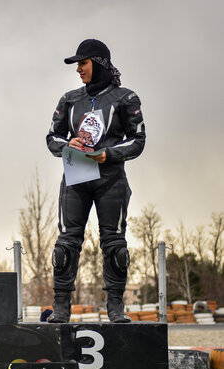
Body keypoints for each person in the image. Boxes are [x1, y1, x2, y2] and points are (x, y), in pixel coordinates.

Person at [45, 39, 145, 323]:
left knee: (115, 244)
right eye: (77, 64)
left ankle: (115, 306)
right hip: (76, 178)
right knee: (65, 244)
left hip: (111, 180)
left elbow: (138, 140)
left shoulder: (125, 98)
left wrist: (108, 154)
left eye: (83, 63)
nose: (78, 69)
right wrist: (69, 143)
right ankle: (61, 307)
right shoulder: (69, 99)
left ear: (99, 63)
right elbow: (51, 138)